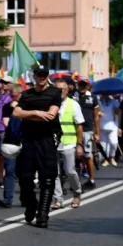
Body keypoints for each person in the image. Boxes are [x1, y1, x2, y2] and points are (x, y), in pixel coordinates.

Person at [11, 65, 62, 228]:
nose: (42, 77)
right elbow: (16, 113)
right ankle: (31, 205)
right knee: (25, 177)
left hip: (47, 138)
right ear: (34, 76)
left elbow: (51, 115)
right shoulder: (26, 95)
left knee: (47, 178)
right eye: (39, 75)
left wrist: (29, 115)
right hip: (29, 140)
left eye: (45, 75)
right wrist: (37, 113)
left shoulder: (54, 93)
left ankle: (43, 214)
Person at [52, 79, 83, 209]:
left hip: (69, 143)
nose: (59, 93)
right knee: (54, 173)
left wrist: (79, 144)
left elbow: (79, 125)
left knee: (70, 171)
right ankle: (58, 199)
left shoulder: (73, 104)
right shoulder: (51, 104)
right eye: (56, 90)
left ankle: (77, 193)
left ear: (66, 90)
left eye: (61, 90)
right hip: (53, 144)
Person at [0, 84, 23, 209]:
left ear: (21, 95)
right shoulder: (7, 107)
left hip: (26, 141)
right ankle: (7, 199)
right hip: (11, 142)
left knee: (25, 171)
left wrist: (18, 108)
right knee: (10, 170)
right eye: (11, 97)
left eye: (15, 97)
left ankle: (25, 197)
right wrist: (15, 110)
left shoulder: (27, 106)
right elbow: (8, 124)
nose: (13, 99)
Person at [74, 78, 99, 189]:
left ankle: (91, 180)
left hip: (87, 130)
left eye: (84, 84)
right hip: (74, 130)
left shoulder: (92, 98)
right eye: (80, 84)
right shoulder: (74, 96)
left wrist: (97, 133)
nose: (82, 86)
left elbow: (96, 117)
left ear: (88, 85)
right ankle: (75, 181)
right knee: (76, 157)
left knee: (88, 156)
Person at [98, 91, 119, 165]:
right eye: (105, 93)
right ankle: (105, 159)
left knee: (114, 143)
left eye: (108, 93)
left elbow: (119, 112)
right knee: (103, 145)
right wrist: (99, 113)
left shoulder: (115, 102)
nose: (106, 95)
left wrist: (116, 110)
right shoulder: (99, 102)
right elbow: (96, 112)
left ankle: (112, 157)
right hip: (102, 126)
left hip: (113, 126)